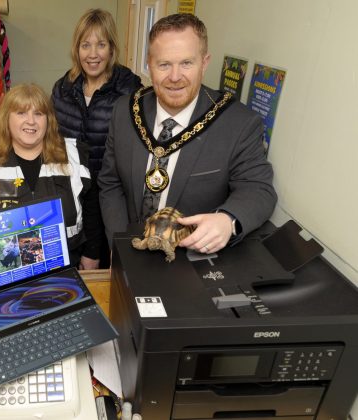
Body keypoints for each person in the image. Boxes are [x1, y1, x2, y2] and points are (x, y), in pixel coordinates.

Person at [98, 13, 277, 255]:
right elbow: (110, 183)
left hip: (191, 261)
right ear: (149, 64)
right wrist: (118, 246)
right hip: (131, 248)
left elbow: (258, 188)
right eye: (164, 64)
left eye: (186, 63)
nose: (174, 77)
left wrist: (228, 220)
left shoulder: (238, 123)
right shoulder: (124, 111)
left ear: (204, 63)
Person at [0, 83, 96, 268]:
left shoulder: (73, 155)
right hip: (5, 273)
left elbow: (93, 211)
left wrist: (92, 254)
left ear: (49, 119)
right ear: (7, 118)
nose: (31, 121)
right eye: (21, 113)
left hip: (66, 268)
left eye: (38, 113)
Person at [52, 8, 142, 268]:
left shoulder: (129, 91)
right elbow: (52, 142)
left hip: (114, 200)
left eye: (101, 44)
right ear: (76, 49)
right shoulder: (63, 89)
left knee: (112, 271)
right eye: (85, 45)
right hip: (74, 200)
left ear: (112, 49)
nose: (92, 54)